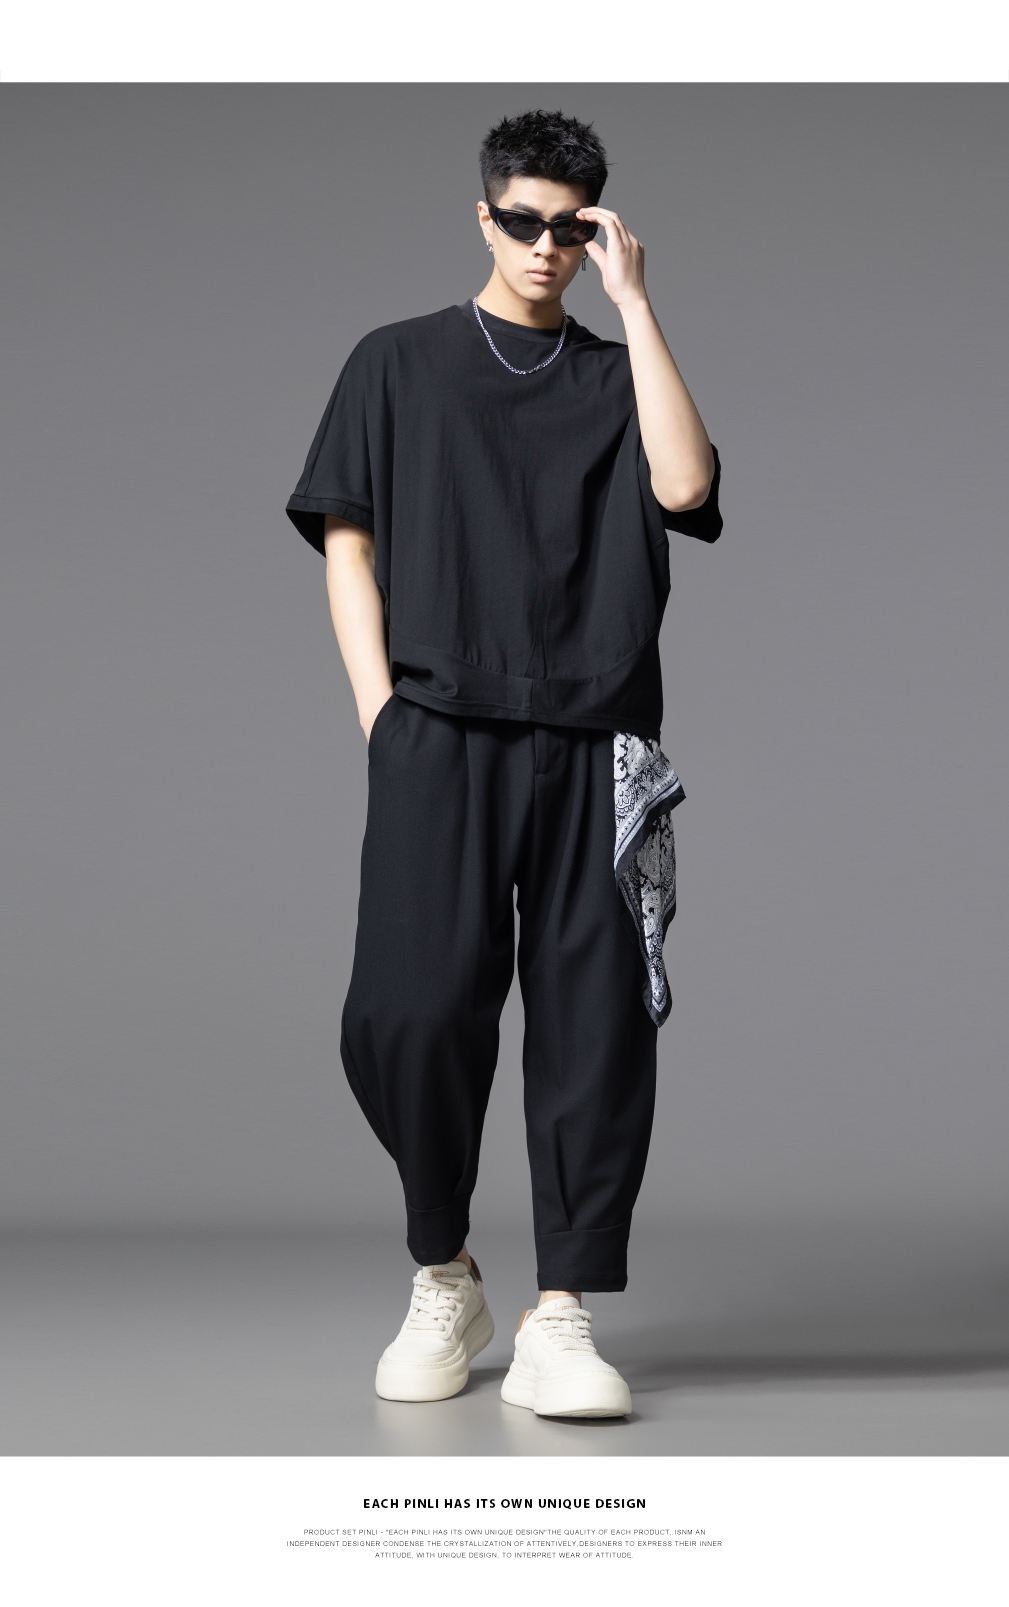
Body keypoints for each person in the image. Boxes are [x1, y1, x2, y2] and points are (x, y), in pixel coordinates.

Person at [286, 109, 722, 1419]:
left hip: (598, 741)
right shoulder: (396, 362)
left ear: (595, 230)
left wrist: (633, 304)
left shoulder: (615, 373)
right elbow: (349, 544)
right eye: (523, 222)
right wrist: (381, 714)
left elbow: (684, 487)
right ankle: (445, 1272)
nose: (544, 247)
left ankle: (561, 1314)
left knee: (594, 1028)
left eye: (569, 228)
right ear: (484, 217)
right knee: (409, 1013)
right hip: (438, 730)